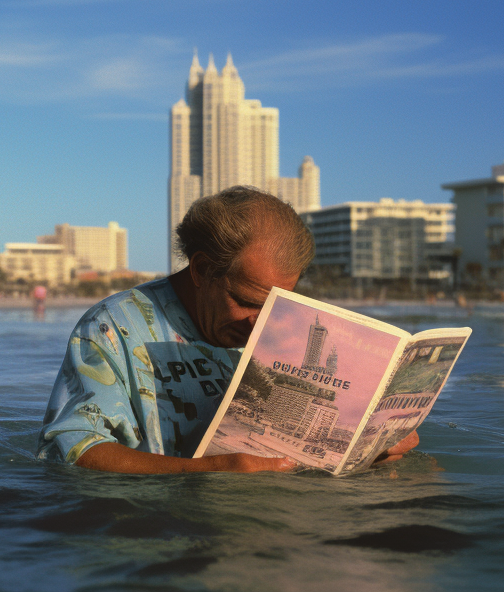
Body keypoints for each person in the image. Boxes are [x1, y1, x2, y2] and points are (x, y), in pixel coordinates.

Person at [38, 186, 417, 474]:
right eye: (249, 302)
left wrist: (371, 447)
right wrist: (209, 472)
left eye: (276, 306)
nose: (260, 323)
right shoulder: (112, 327)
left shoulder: (286, 331)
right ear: (202, 270)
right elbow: (70, 448)